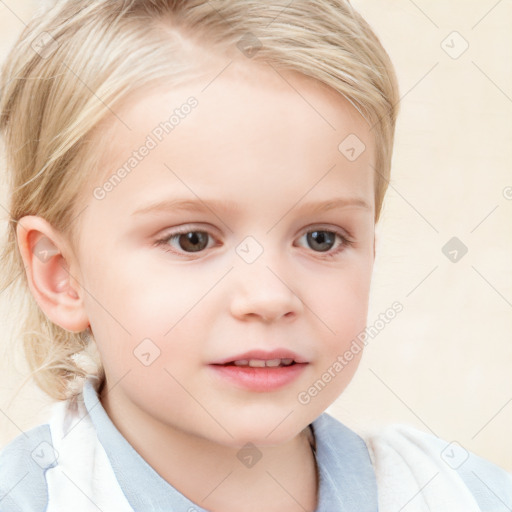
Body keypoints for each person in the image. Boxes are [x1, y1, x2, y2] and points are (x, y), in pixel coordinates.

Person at [0, 1, 510, 511]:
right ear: (61, 274)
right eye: (192, 240)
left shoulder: (464, 494)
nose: (269, 297)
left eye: (321, 238)